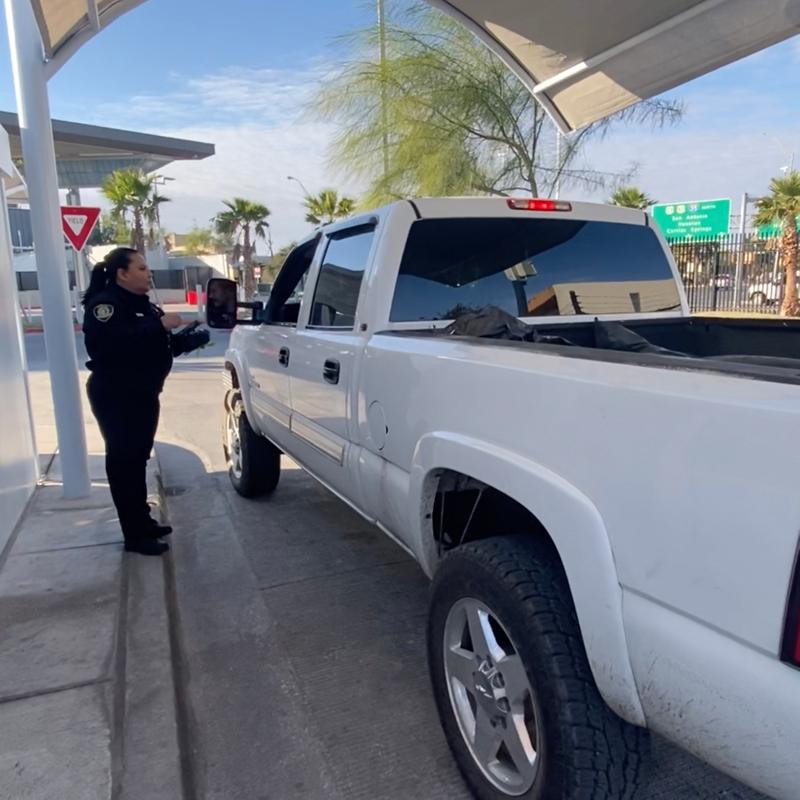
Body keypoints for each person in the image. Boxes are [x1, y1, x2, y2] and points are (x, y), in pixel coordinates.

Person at [82, 247, 210, 556]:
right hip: (117, 395)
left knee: (137, 460)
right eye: (140, 268)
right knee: (124, 463)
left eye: (147, 268)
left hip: (142, 393)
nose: (148, 272)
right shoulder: (106, 306)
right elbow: (107, 345)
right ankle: (134, 536)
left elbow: (150, 345)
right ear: (121, 274)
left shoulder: (143, 306)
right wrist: (161, 326)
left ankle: (143, 522)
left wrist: (185, 341)